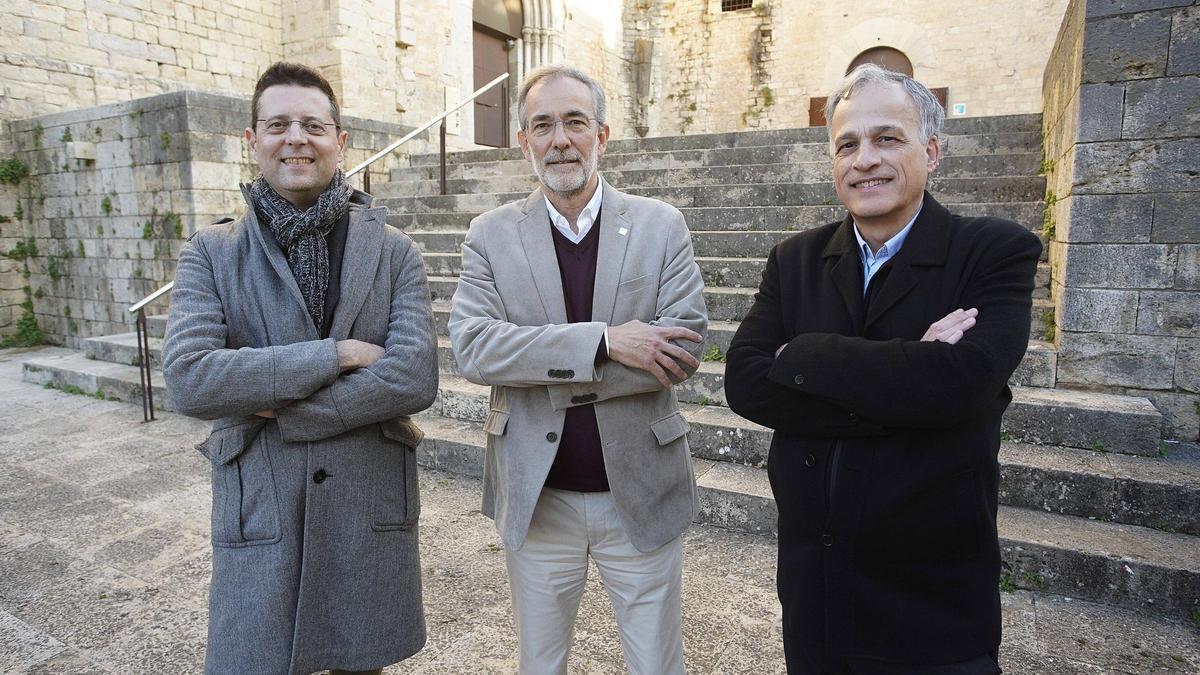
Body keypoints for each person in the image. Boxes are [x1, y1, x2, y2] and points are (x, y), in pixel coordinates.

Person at [725, 63, 1042, 674]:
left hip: (932, 600)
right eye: (847, 144)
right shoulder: (795, 260)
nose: (864, 159)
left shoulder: (995, 251)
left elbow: (961, 385)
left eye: (887, 138)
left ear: (932, 150)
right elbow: (744, 381)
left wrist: (804, 356)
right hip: (817, 587)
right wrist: (910, 370)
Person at [161, 61, 437, 675]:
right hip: (262, 503)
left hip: (363, 505)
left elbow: (415, 376)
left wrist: (284, 407)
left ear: (341, 141)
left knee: (360, 662)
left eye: (313, 125)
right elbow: (189, 377)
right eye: (278, 124)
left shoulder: (395, 253)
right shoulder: (211, 252)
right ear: (252, 140)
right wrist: (333, 355)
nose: (295, 138)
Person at [448, 65, 708, 674]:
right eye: (543, 125)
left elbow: (684, 350)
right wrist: (605, 344)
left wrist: (540, 361)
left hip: (640, 489)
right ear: (524, 142)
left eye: (575, 122)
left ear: (603, 135)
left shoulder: (660, 226)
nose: (560, 139)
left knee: (657, 666)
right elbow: (474, 349)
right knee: (541, 665)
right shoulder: (490, 236)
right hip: (540, 495)